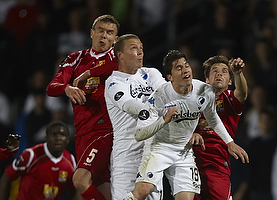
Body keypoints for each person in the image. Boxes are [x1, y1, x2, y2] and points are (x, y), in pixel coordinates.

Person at [124, 50, 249, 200]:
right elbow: (140, 134)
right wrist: (165, 120)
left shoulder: (209, 94)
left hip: (199, 157)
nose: (185, 70)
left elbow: (217, 116)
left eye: (186, 65)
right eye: (179, 68)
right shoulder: (160, 97)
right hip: (167, 148)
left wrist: (230, 142)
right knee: (143, 191)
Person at [46, 14, 120, 200]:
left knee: (80, 180)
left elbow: (125, 64)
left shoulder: (117, 59)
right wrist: (67, 88)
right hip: (82, 132)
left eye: (109, 33)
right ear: (91, 33)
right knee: (101, 187)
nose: (104, 36)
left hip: (104, 129)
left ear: (115, 39)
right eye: (100, 31)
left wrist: (90, 73)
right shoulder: (75, 58)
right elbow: (51, 88)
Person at [104, 34, 166, 200]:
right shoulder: (113, 83)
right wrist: (158, 108)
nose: (140, 53)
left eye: (141, 48)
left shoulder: (151, 73)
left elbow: (169, 96)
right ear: (120, 55)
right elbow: (132, 106)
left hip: (152, 157)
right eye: (134, 48)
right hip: (127, 159)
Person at [190, 55, 248, 200]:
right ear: (207, 80)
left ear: (230, 80)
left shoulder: (229, 99)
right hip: (189, 164)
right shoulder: (193, 100)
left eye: (224, 71)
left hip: (216, 165)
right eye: (214, 71)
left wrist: (238, 73)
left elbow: (242, 93)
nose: (219, 73)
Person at [0, 121, 80, 200]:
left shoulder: (70, 161)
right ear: (46, 138)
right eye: (54, 135)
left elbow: (74, 190)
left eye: (62, 135)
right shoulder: (31, 155)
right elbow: (7, 177)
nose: (58, 138)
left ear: (68, 140)